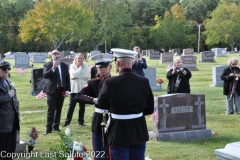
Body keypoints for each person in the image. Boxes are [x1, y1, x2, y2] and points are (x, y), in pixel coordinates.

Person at [97, 48, 154, 160]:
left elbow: (101, 104)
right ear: (132, 63)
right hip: (138, 129)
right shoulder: (144, 81)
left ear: (117, 63)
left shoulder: (110, 82)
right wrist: (136, 111)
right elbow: (150, 108)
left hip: (118, 130)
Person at [75, 53, 114, 160]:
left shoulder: (115, 81)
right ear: (96, 68)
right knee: (99, 149)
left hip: (114, 117)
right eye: (100, 67)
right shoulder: (93, 83)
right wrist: (93, 100)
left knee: (114, 149)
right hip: (99, 117)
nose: (103, 70)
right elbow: (78, 95)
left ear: (110, 67)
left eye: (105, 67)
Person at [43, 50, 70, 135]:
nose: (56, 55)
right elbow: (45, 75)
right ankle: (48, 129)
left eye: (57, 54)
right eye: (54, 54)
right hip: (51, 90)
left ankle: (56, 126)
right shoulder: (47, 65)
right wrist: (53, 68)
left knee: (59, 109)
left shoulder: (64, 65)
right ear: (51, 56)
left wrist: (67, 90)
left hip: (61, 90)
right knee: (50, 110)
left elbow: (67, 78)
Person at [0, 61, 20, 160]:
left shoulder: (7, 81)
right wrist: (8, 95)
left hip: (11, 120)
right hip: (2, 123)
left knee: (11, 147)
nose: (6, 71)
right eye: (4, 69)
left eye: (8, 69)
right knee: (2, 148)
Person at [63, 53, 89, 127]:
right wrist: (80, 69)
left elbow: (87, 76)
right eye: (78, 58)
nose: (80, 59)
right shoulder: (72, 66)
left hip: (82, 89)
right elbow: (73, 75)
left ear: (83, 59)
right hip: (74, 89)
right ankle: (67, 122)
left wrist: (76, 77)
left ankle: (81, 122)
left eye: (81, 58)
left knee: (82, 107)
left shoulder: (86, 66)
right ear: (75, 59)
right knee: (71, 106)